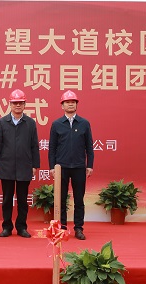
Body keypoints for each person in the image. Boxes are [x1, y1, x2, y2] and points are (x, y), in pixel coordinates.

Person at [0, 89, 40, 238]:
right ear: (10, 104)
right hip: (6, 166)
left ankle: (21, 227)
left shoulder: (30, 123)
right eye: (15, 103)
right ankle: (6, 227)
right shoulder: (2, 122)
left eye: (20, 103)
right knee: (7, 199)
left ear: (24, 105)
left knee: (23, 200)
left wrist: (35, 165)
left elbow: (34, 145)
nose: (18, 105)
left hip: (25, 166)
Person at [48, 90, 94, 240]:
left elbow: (89, 146)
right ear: (62, 105)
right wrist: (52, 167)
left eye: (73, 102)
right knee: (61, 200)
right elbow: (52, 148)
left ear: (76, 105)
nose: (70, 104)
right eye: (67, 102)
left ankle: (78, 228)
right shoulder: (56, 124)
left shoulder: (84, 123)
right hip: (61, 167)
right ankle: (62, 227)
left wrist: (89, 165)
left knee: (79, 199)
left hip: (79, 167)